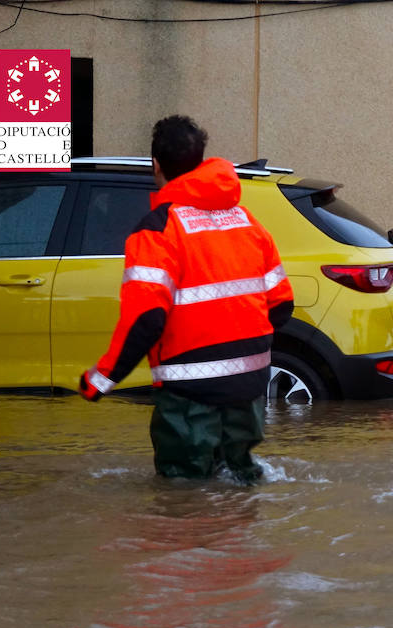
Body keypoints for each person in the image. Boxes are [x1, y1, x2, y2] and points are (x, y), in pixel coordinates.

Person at [79, 115, 294, 482]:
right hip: (249, 390)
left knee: (183, 501)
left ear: (156, 165)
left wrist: (101, 380)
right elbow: (282, 306)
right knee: (239, 490)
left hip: (190, 393)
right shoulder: (245, 220)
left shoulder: (158, 229)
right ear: (200, 160)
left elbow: (146, 319)